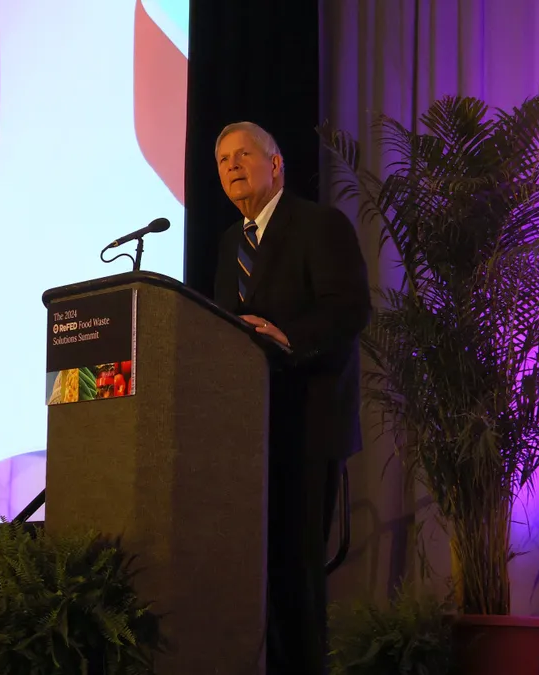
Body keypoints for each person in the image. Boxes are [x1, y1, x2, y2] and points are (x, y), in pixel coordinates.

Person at [211, 121, 370, 675]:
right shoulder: (231, 242)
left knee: (297, 576)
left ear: (275, 164)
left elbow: (348, 309)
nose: (231, 165)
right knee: (257, 578)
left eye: (243, 154)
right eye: (223, 159)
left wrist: (287, 336)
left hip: (306, 426)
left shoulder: (318, 225)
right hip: (250, 434)